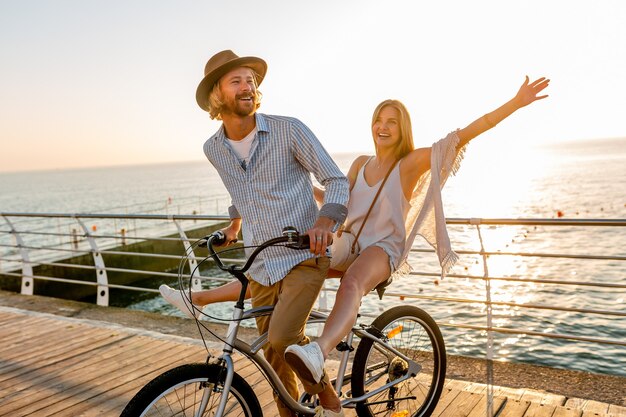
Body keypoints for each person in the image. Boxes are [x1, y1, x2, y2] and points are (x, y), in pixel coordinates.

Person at [162, 71, 550, 409]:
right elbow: (337, 196)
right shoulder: (361, 163)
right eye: (379, 120)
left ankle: (319, 351)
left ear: (403, 129)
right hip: (348, 240)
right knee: (278, 263)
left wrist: (514, 103)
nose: (383, 127)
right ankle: (201, 299)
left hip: (383, 248)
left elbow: (463, 135)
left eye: (392, 122)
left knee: (352, 283)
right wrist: (299, 203)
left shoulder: (410, 162)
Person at [161, 49, 351, 417]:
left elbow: (336, 179)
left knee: (282, 339)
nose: (247, 86)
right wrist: (234, 225)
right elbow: (239, 190)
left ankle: (325, 391)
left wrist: (325, 222)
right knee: (272, 356)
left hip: (304, 254)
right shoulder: (214, 148)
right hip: (261, 262)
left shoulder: (288, 129)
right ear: (218, 95)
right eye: (237, 81)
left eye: (251, 80)